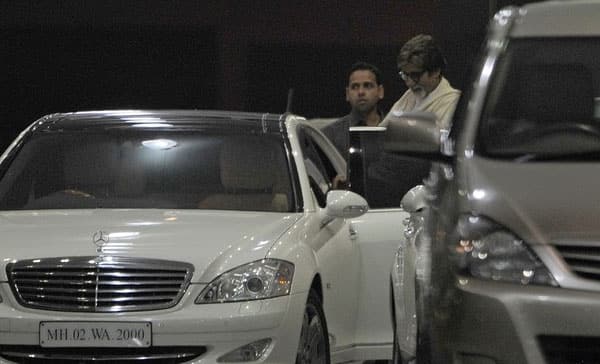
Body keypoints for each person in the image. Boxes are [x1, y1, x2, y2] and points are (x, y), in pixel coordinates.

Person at [381, 34, 460, 129]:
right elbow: (382, 133)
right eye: (405, 75)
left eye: (415, 75)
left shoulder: (453, 102)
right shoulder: (408, 97)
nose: (409, 83)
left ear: (435, 71)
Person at [322, 61, 385, 158]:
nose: (361, 92)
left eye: (367, 85)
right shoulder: (330, 136)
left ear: (380, 91)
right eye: (355, 87)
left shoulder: (395, 132)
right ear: (347, 94)